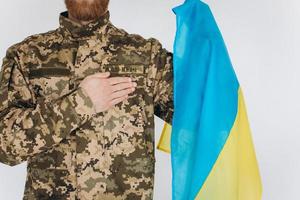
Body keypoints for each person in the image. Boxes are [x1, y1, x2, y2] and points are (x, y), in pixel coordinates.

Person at [0, 0, 173, 199]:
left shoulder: (147, 56)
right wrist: (80, 103)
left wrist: (201, 40)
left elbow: (205, 111)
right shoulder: (26, 56)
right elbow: (5, 146)